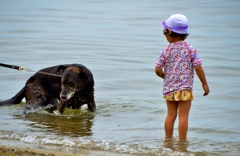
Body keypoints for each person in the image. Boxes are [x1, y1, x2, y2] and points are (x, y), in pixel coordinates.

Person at [155, 14, 209, 140]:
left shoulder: (165, 50)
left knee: (170, 115)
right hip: (185, 89)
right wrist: (204, 84)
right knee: (183, 116)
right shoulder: (191, 49)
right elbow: (198, 68)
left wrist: (166, 77)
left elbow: (157, 69)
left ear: (168, 31)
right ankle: (182, 143)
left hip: (169, 88)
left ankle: (168, 141)